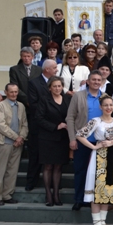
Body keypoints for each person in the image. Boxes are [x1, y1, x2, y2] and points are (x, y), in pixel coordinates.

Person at [76, 94, 113, 225]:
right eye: (106, 105)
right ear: (100, 107)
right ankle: (96, 223)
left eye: (111, 105)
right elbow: (79, 135)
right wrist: (94, 147)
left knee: (108, 189)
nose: (109, 107)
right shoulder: (95, 121)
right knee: (97, 188)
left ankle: (103, 221)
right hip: (100, 158)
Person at [66, 71, 105, 211]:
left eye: (98, 80)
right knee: (80, 170)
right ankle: (79, 199)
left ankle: (93, 199)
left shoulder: (105, 97)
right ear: (88, 81)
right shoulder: (78, 96)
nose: (96, 82)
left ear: (101, 82)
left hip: (100, 142)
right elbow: (70, 118)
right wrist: (72, 138)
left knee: (97, 172)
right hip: (82, 140)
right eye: (93, 79)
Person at [35, 76, 71, 206]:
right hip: (47, 138)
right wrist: (55, 126)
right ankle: (48, 194)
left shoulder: (67, 99)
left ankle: (56, 194)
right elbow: (39, 118)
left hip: (62, 138)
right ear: (50, 88)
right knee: (48, 166)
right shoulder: (44, 100)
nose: (57, 88)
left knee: (58, 166)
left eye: (59, 86)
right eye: (54, 86)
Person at [0, 83, 28, 206]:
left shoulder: (21, 106)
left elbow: (24, 124)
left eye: (16, 92)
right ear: (6, 92)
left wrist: (21, 137)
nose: (14, 94)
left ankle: (7, 195)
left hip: (17, 144)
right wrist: (15, 137)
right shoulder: (0, 106)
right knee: (1, 170)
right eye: (11, 92)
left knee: (12, 170)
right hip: (4, 142)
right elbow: (1, 126)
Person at [26, 59, 58, 191]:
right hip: (38, 127)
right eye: (55, 67)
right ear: (47, 70)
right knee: (35, 156)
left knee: (52, 158)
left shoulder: (57, 82)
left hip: (53, 128)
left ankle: (53, 184)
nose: (57, 69)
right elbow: (33, 104)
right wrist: (49, 110)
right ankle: (31, 182)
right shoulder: (34, 83)